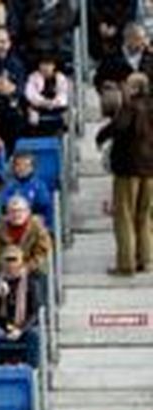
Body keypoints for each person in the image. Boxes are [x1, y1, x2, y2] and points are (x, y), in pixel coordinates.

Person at [96, 72, 153, 276]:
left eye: (128, 85)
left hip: (128, 168)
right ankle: (145, 260)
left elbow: (119, 127)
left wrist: (100, 136)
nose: (124, 88)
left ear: (136, 88)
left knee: (124, 215)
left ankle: (126, 264)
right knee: (145, 215)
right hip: (150, 169)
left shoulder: (130, 107)